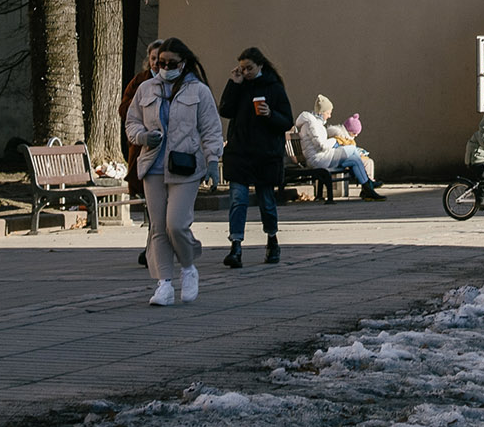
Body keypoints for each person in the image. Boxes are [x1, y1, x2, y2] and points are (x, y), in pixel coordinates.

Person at [127, 39, 224, 304]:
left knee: (176, 224)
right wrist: (143, 137)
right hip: (153, 165)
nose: (165, 67)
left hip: (186, 165)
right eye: (160, 63)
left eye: (172, 64)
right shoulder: (146, 89)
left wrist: (213, 161)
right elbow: (131, 122)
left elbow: (211, 129)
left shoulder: (198, 91)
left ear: (184, 64)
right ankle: (164, 284)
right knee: (158, 227)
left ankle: (189, 267)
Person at [218, 48, 293, 268]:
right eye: (242, 68)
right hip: (240, 153)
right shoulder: (240, 86)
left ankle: (272, 239)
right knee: (238, 199)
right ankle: (236, 246)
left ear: (260, 66)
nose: (246, 72)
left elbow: (286, 120)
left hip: (265, 154)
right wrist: (233, 83)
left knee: (267, 202)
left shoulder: (274, 87)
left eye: (249, 68)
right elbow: (225, 110)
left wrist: (270, 114)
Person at [293, 94, 385, 199]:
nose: (329, 116)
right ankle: (368, 186)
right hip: (318, 159)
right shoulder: (313, 124)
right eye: (328, 113)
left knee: (354, 160)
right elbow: (321, 145)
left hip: (321, 157)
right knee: (352, 149)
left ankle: (367, 188)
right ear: (322, 112)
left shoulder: (315, 123)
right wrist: (335, 141)